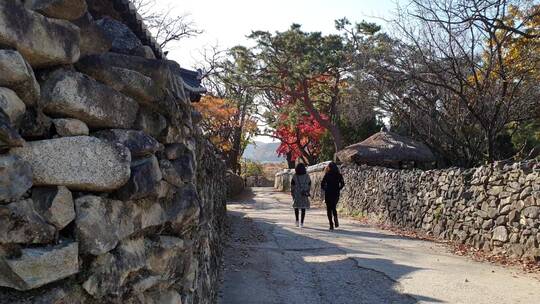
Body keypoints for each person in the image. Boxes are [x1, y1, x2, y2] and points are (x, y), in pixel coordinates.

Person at [321, 162, 345, 230]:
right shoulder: (339, 175)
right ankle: (336, 218)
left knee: (329, 209)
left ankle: (331, 224)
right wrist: (339, 188)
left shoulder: (327, 174)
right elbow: (342, 184)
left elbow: (322, 184)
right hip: (336, 192)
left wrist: (325, 188)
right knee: (333, 207)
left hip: (328, 192)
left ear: (329, 167)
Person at [291, 163, 311, 228]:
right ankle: (302, 223)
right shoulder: (307, 176)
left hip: (297, 193)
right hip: (304, 193)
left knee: (296, 207)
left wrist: (292, 193)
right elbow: (309, 184)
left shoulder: (295, 176)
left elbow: (292, 185)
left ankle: (297, 221)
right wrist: (307, 191)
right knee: (303, 208)